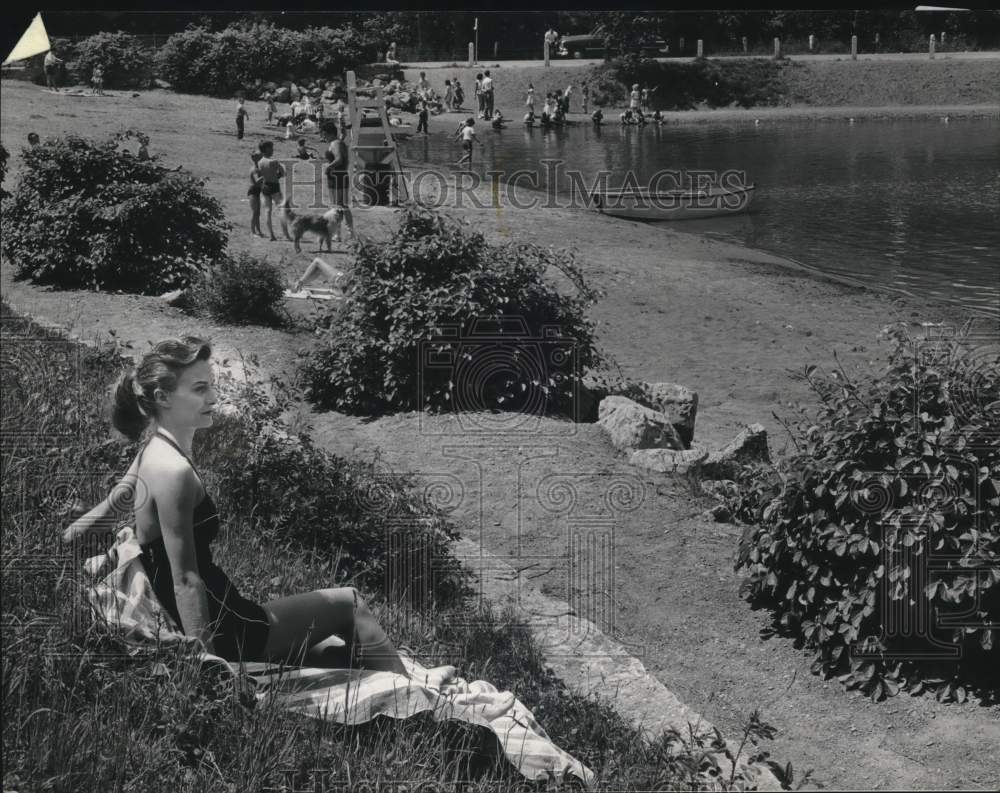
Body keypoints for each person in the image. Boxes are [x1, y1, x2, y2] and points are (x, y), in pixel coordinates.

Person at [61, 338, 457, 680]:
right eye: (200, 389)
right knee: (350, 604)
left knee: (334, 652)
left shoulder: (155, 446)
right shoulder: (175, 471)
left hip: (222, 610)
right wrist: (208, 665)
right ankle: (411, 692)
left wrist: (67, 541)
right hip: (227, 623)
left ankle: (392, 674)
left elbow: (113, 504)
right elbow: (186, 581)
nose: (214, 398)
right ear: (163, 398)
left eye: (211, 386)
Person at [256, 140, 284, 241]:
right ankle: (286, 233)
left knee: (267, 211)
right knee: (282, 209)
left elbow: (260, 176)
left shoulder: (260, 162)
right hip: (275, 186)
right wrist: (277, 176)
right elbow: (282, 172)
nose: (273, 150)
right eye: (271, 148)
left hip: (265, 186)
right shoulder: (274, 162)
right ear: (267, 149)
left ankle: (271, 235)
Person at [325, 123, 350, 207]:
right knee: (343, 207)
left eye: (324, 135)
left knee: (337, 206)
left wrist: (328, 167)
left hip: (336, 178)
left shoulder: (335, 143)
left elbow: (339, 159)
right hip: (341, 176)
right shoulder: (339, 142)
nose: (323, 137)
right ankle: (347, 221)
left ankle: (341, 220)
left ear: (330, 133)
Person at [247, 151, 263, 236]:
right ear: (256, 159)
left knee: (258, 213)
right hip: (253, 191)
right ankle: (252, 232)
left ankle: (259, 231)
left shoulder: (259, 168)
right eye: (260, 156)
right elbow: (256, 182)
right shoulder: (255, 169)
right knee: (254, 212)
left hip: (257, 192)